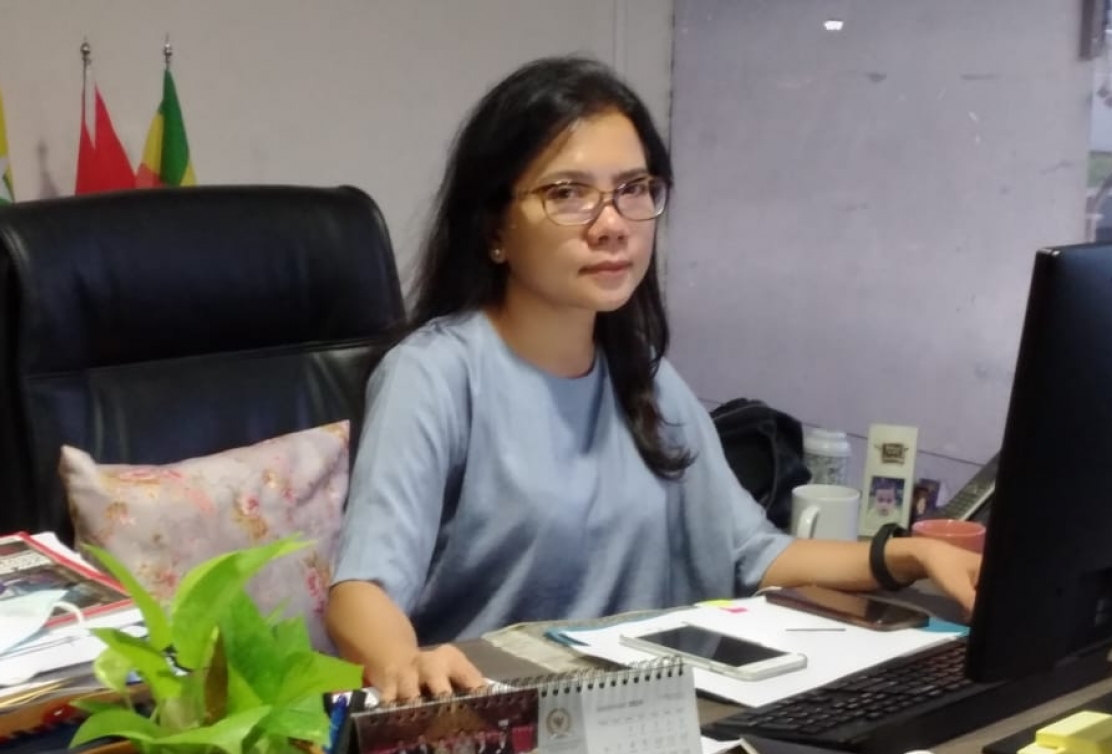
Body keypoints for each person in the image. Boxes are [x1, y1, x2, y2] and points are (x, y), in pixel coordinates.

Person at [325, 54, 981, 703]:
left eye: (634, 189)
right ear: (495, 227)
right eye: (567, 193)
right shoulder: (434, 374)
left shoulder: (641, 372)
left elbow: (753, 553)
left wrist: (908, 556)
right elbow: (362, 590)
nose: (612, 225)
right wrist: (403, 663)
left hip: (641, 712)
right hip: (496, 714)